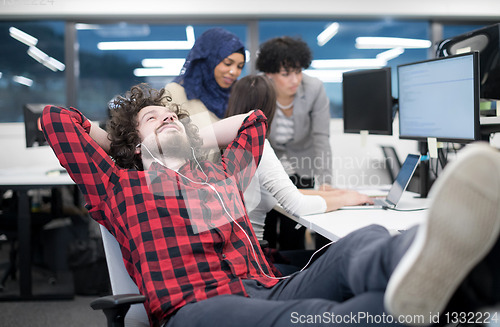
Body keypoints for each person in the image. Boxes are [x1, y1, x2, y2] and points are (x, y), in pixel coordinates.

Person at [40, 83, 500, 327]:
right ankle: (469, 288)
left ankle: (467, 259)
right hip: (196, 307)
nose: (167, 119)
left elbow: (255, 121)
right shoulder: (118, 185)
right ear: (132, 148)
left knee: (365, 243)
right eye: (153, 120)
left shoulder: (220, 174)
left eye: (172, 115)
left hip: (266, 286)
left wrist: (188, 133)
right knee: (330, 317)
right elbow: (56, 120)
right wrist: (127, 142)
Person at [225, 75, 372, 265]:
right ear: (269, 107)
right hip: (252, 262)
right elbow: (298, 205)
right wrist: (347, 199)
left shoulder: (230, 142)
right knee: (332, 259)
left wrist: (337, 194)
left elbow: (284, 192)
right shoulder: (258, 144)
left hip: (236, 255)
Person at [256, 36, 334, 250]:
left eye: (298, 71)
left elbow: (321, 137)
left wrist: (326, 181)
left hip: (303, 162)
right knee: (268, 227)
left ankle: (295, 275)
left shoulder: (314, 88)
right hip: (269, 166)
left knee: (296, 229)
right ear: (269, 74)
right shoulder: (260, 89)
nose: (295, 79)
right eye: (286, 73)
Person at [165, 28, 245, 131]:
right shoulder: (175, 93)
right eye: (227, 63)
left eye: (240, 66)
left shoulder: (236, 96)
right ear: (209, 60)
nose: (234, 72)